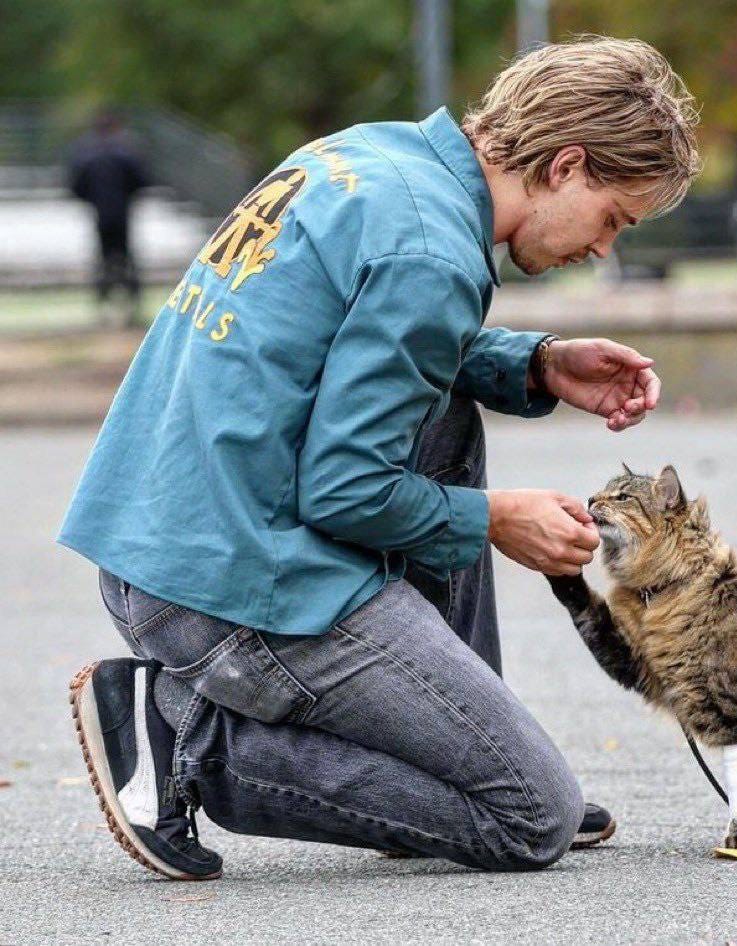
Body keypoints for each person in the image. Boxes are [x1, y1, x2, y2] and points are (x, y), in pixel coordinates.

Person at [61, 36, 701, 879]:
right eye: (614, 216)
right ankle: (185, 736)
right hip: (230, 597)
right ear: (565, 166)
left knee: (446, 424)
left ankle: (460, 755)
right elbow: (343, 488)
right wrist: (496, 518)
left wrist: (534, 363)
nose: (602, 248)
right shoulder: (433, 254)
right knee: (528, 817)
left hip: (162, 546)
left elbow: (360, 345)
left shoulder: (368, 158)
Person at [68, 110, 149, 326]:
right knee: (127, 260)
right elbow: (142, 181)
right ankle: (133, 308)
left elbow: (76, 186)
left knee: (103, 261)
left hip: (100, 215)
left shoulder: (86, 154)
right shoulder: (127, 152)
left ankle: (102, 309)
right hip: (123, 215)